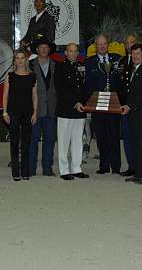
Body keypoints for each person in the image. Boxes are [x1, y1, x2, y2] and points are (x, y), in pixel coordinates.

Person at [117, 34, 142, 177]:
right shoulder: (134, 69)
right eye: (133, 54)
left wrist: (129, 106)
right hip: (135, 112)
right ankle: (138, 173)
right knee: (136, 143)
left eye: (138, 54)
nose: (135, 56)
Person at [84, 34, 122, 174]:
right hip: (97, 104)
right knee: (101, 136)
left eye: (104, 44)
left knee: (114, 135)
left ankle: (116, 166)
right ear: (95, 46)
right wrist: (89, 101)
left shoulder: (117, 59)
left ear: (108, 44)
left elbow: (120, 81)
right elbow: (87, 85)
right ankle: (104, 166)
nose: (102, 46)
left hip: (114, 104)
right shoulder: (89, 62)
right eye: (99, 44)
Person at [54, 43, 89, 180]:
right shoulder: (60, 67)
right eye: (70, 51)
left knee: (77, 140)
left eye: (75, 51)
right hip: (65, 109)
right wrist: (75, 103)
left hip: (80, 109)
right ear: (66, 53)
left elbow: (85, 87)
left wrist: (84, 102)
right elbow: (61, 90)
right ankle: (64, 170)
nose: (73, 54)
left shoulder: (82, 67)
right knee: (64, 141)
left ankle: (76, 168)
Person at [2, 50, 38, 181]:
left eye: (22, 58)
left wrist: (35, 112)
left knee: (27, 143)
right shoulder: (9, 76)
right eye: (17, 58)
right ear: (14, 61)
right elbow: (5, 95)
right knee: (14, 142)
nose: (20, 60)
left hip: (28, 112)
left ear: (26, 60)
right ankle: (15, 172)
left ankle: (25, 171)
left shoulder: (32, 76)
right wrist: (5, 112)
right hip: (13, 112)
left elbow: (35, 96)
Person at [28, 36, 57, 176]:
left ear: (49, 49)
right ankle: (31, 169)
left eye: (46, 47)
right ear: (37, 50)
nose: (44, 50)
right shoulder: (29, 65)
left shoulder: (56, 65)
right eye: (41, 48)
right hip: (34, 110)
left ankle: (47, 168)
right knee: (32, 141)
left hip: (51, 109)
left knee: (49, 141)